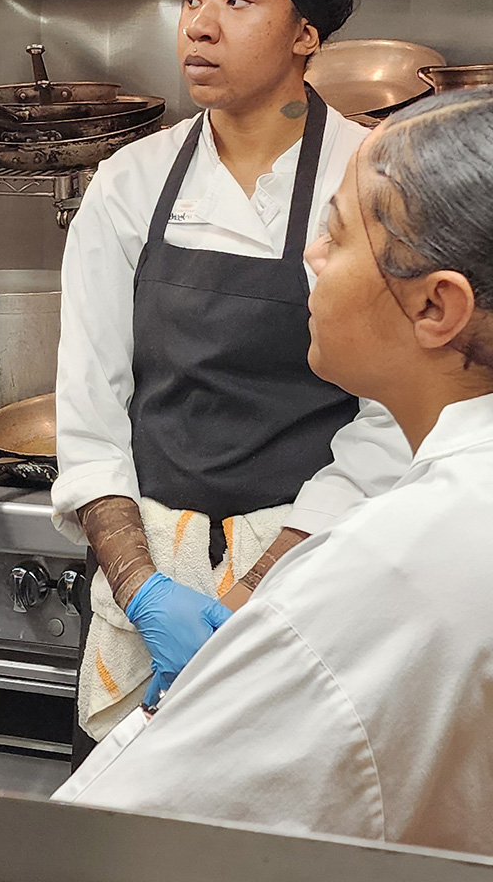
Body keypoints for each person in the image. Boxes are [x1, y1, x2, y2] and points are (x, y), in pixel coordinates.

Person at [55, 87, 493, 853]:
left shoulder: (377, 580)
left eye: (335, 236)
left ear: (436, 309)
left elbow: (121, 848)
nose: (310, 260)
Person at [52, 0, 413, 742]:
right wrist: (142, 589)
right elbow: (91, 415)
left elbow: (395, 421)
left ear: (306, 34)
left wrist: (260, 588)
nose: (200, 27)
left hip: (314, 586)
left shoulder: (373, 180)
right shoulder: (128, 184)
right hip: (150, 594)